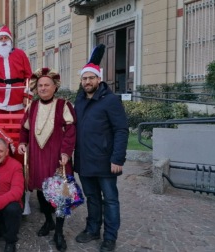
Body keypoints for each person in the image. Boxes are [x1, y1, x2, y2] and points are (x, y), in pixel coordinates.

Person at [18, 68, 76, 252]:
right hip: (37, 155)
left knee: (60, 195)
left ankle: (59, 231)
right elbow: (24, 129)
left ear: (54, 87)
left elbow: (71, 131)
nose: (43, 88)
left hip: (58, 157)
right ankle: (49, 222)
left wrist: (66, 152)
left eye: (46, 85)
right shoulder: (32, 106)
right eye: (40, 85)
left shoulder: (64, 105)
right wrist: (22, 142)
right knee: (41, 192)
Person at [73, 62, 129, 252]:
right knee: (92, 197)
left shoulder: (110, 100)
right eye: (84, 78)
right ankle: (92, 229)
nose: (87, 81)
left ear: (99, 79)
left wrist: (118, 158)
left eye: (91, 78)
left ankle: (110, 237)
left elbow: (121, 130)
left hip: (105, 160)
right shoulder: (79, 100)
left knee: (110, 200)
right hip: (84, 160)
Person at [0, 25, 32, 114]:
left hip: (18, 94)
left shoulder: (20, 54)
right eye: (1, 39)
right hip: (0, 95)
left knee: (19, 124)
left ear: (10, 40)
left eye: (6, 38)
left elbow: (29, 76)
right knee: (1, 124)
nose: (3, 40)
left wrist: (27, 95)